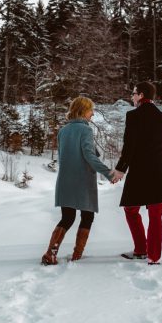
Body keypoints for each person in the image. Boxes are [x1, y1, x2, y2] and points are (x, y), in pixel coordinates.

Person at [40, 96, 114, 265]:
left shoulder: (63, 130)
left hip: (65, 180)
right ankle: (77, 255)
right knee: (87, 217)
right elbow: (88, 155)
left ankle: (50, 253)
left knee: (67, 218)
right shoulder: (85, 130)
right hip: (82, 181)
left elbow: (63, 157)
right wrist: (109, 173)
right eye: (91, 110)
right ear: (82, 110)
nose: (92, 114)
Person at [111, 81, 162, 265]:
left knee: (131, 210)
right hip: (159, 174)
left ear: (141, 95)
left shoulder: (133, 116)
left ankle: (140, 249)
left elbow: (129, 147)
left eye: (133, 93)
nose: (132, 97)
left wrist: (120, 170)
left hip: (138, 172)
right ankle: (154, 257)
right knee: (155, 215)